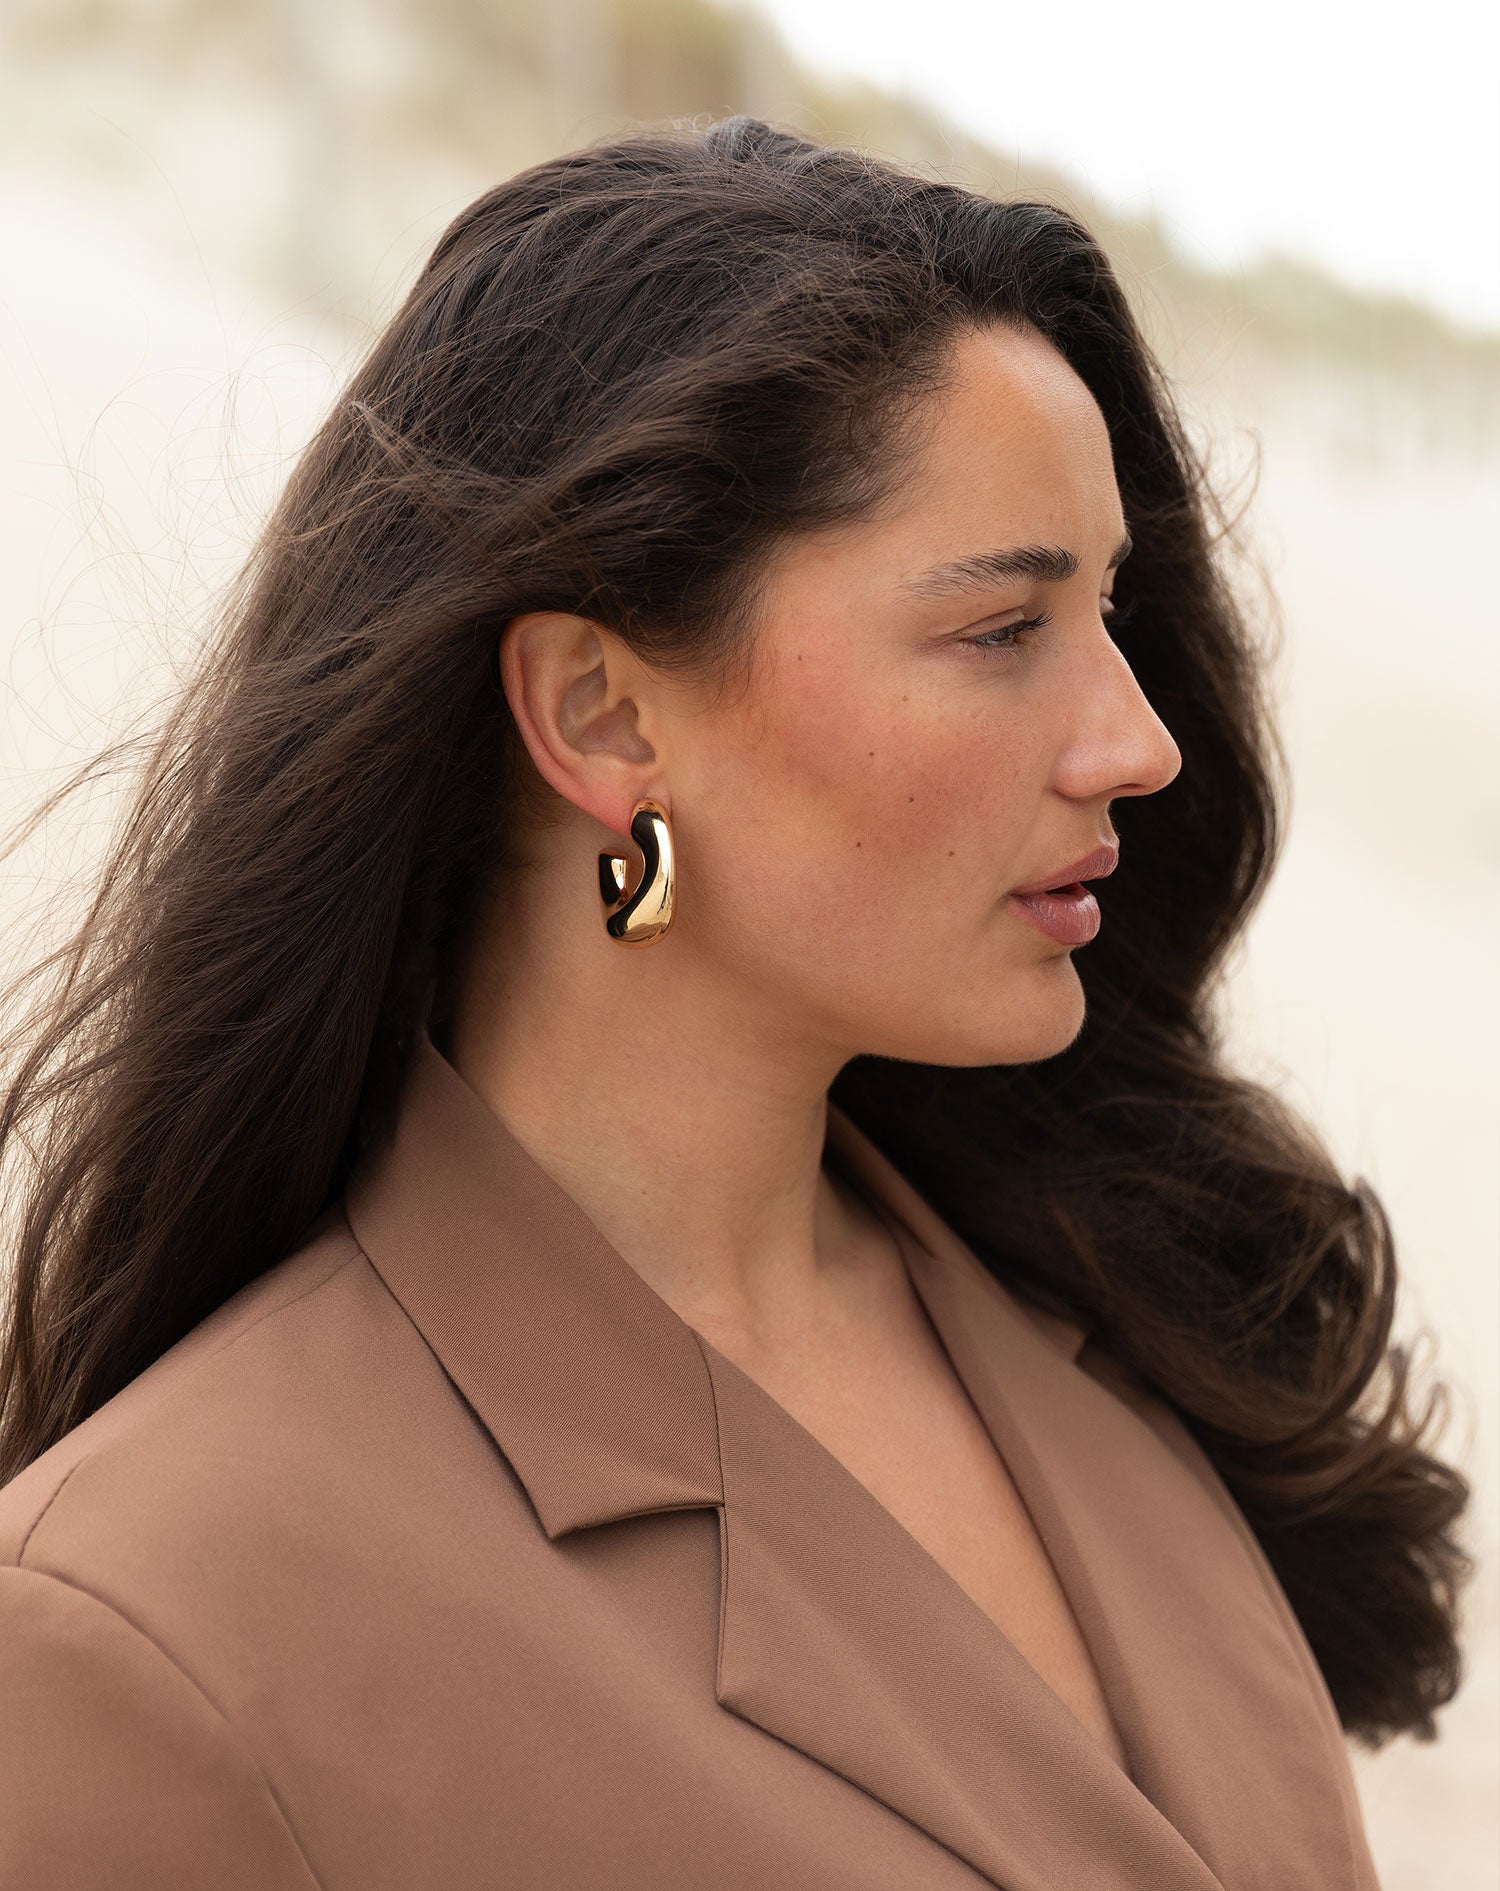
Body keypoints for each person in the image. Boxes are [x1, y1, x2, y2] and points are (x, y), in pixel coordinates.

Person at [0, 116, 1471, 1888]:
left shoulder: (1121, 1320)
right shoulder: (149, 1632)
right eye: (1003, 631)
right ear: (604, 716)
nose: (1139, 741)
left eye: (1111, 613)